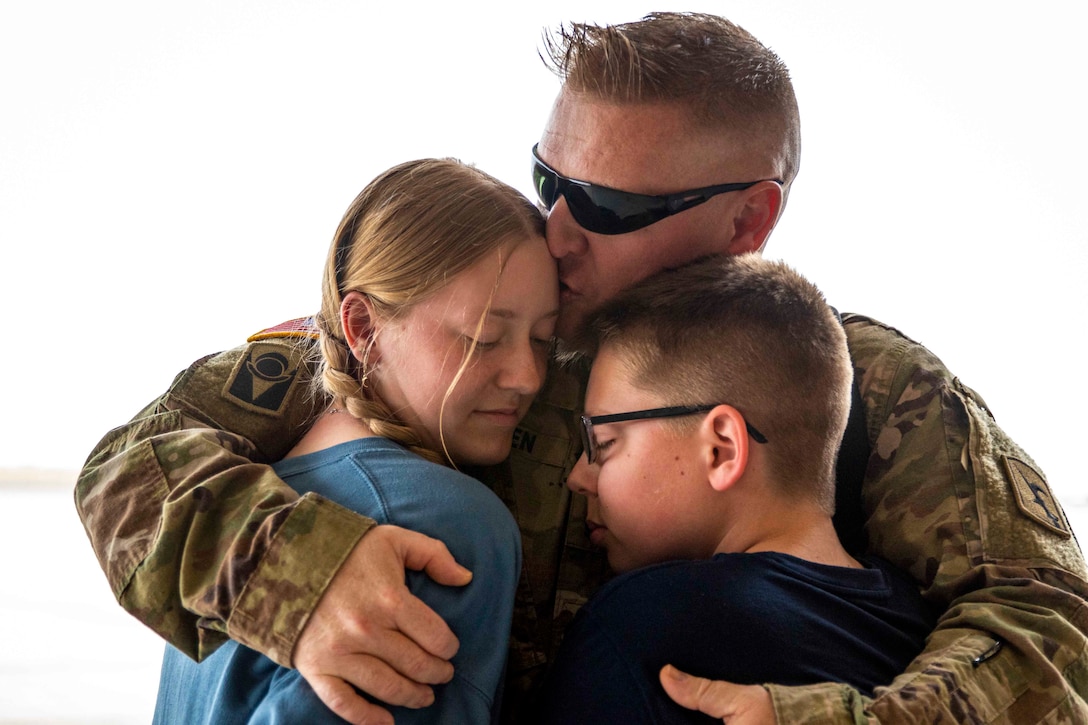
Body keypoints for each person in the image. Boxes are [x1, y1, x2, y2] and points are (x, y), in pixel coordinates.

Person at [75, 12, 1088, 725]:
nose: (554, 230)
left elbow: (1048, 624)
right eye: (546, 179)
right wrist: (295, 575)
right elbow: (132, 464)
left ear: (748, 218)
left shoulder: (862, 382)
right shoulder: (448, 322)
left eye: (605, 204)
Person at [151, 157, 559, 723]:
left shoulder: (236, 520)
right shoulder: (445, 526)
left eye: (544, 340)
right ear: (363, 328)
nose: (528, 377)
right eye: (483, 338)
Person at [535, 253, 936, 723]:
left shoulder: (643, 626)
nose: (578, 477)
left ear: (722, 449)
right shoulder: (928, 627)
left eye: (602, 442)